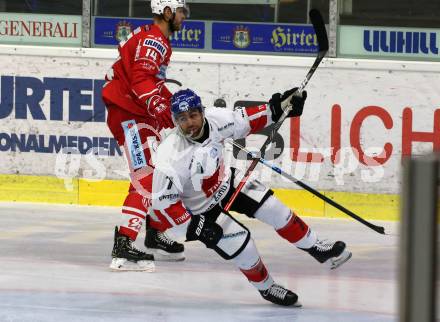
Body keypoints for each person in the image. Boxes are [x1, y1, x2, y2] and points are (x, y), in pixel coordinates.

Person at [150, 88, 352, 306]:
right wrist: (197, 228)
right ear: (175, 121)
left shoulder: (217, 119)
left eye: (193, 115)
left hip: (227, 183)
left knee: (276, 210)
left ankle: (316, 247)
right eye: (182, 118)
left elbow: (247, 120)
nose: (190, 122)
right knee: (243, 246)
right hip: (202, 210)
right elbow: (164, 205)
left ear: (202, 112)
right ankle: (267, 287)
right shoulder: (169, 155)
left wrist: (281, 107)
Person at [101, 0, 189, 270]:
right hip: (129, 115)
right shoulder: (154, 40)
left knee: (161, 170)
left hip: (136, 113)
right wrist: (158, 104)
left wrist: (173, 106)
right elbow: (141, 80)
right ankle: (124, 243)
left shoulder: (154, 38)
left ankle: (154, 232)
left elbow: (150, 80)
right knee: (146, 178)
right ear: (167, 12)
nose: (184, 16)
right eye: (181, 11)